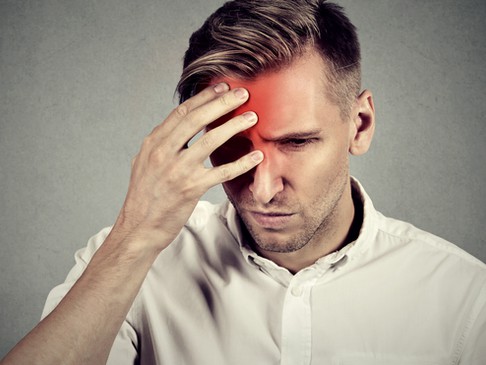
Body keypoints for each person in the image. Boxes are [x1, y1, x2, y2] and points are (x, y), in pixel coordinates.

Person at [2, 0, 485, 364]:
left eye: (296, 143)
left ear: (359, 124)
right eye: (232, 147)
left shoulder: (464, 298)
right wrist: (136, 236)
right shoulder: (131, 261)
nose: (261, 188)